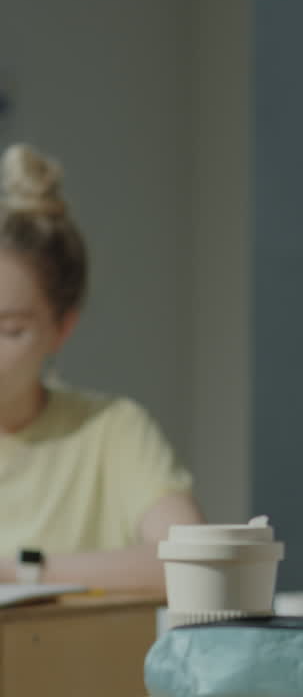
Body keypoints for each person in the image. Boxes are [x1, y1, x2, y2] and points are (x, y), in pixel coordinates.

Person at [0, 143, 204, 591]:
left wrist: (19, 572)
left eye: (10, 330)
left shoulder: (112, 430)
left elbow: (190, 562)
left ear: (62, 327)